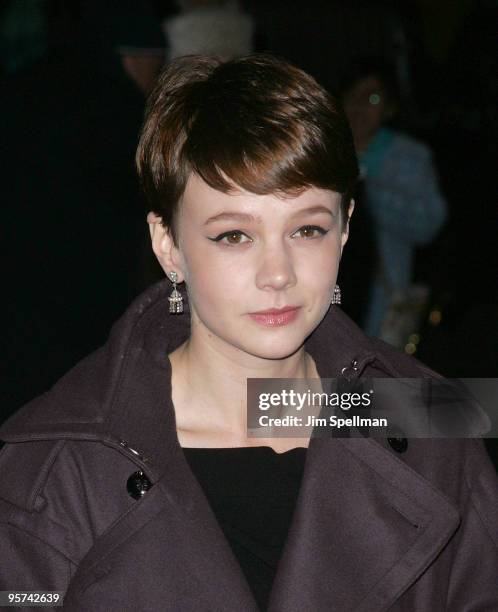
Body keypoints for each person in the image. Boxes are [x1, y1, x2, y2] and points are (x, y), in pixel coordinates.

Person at [0, 54, 497, 611]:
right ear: (168, 245)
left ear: (347, 227)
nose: (278, 273)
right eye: (234, 236)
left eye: (308, 228)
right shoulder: (56, 465)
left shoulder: (431, 417)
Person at [341, 59, 448, 346]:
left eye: (373, 98)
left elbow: (429, 225)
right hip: (330, 296)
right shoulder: (322, 150)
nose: (360, 105)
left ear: (389, 108)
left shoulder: (409, 157)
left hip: (382, 297)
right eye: (352, 95)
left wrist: (371, 189)